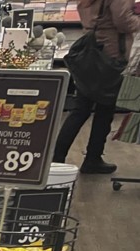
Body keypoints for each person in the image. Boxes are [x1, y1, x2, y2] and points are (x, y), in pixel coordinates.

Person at [53, 0, 140, 173]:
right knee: (104, 109)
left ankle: (57, 158)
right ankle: (92, 158)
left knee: (81, 109)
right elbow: (122, 21)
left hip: (92, 48)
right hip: (111, 52)